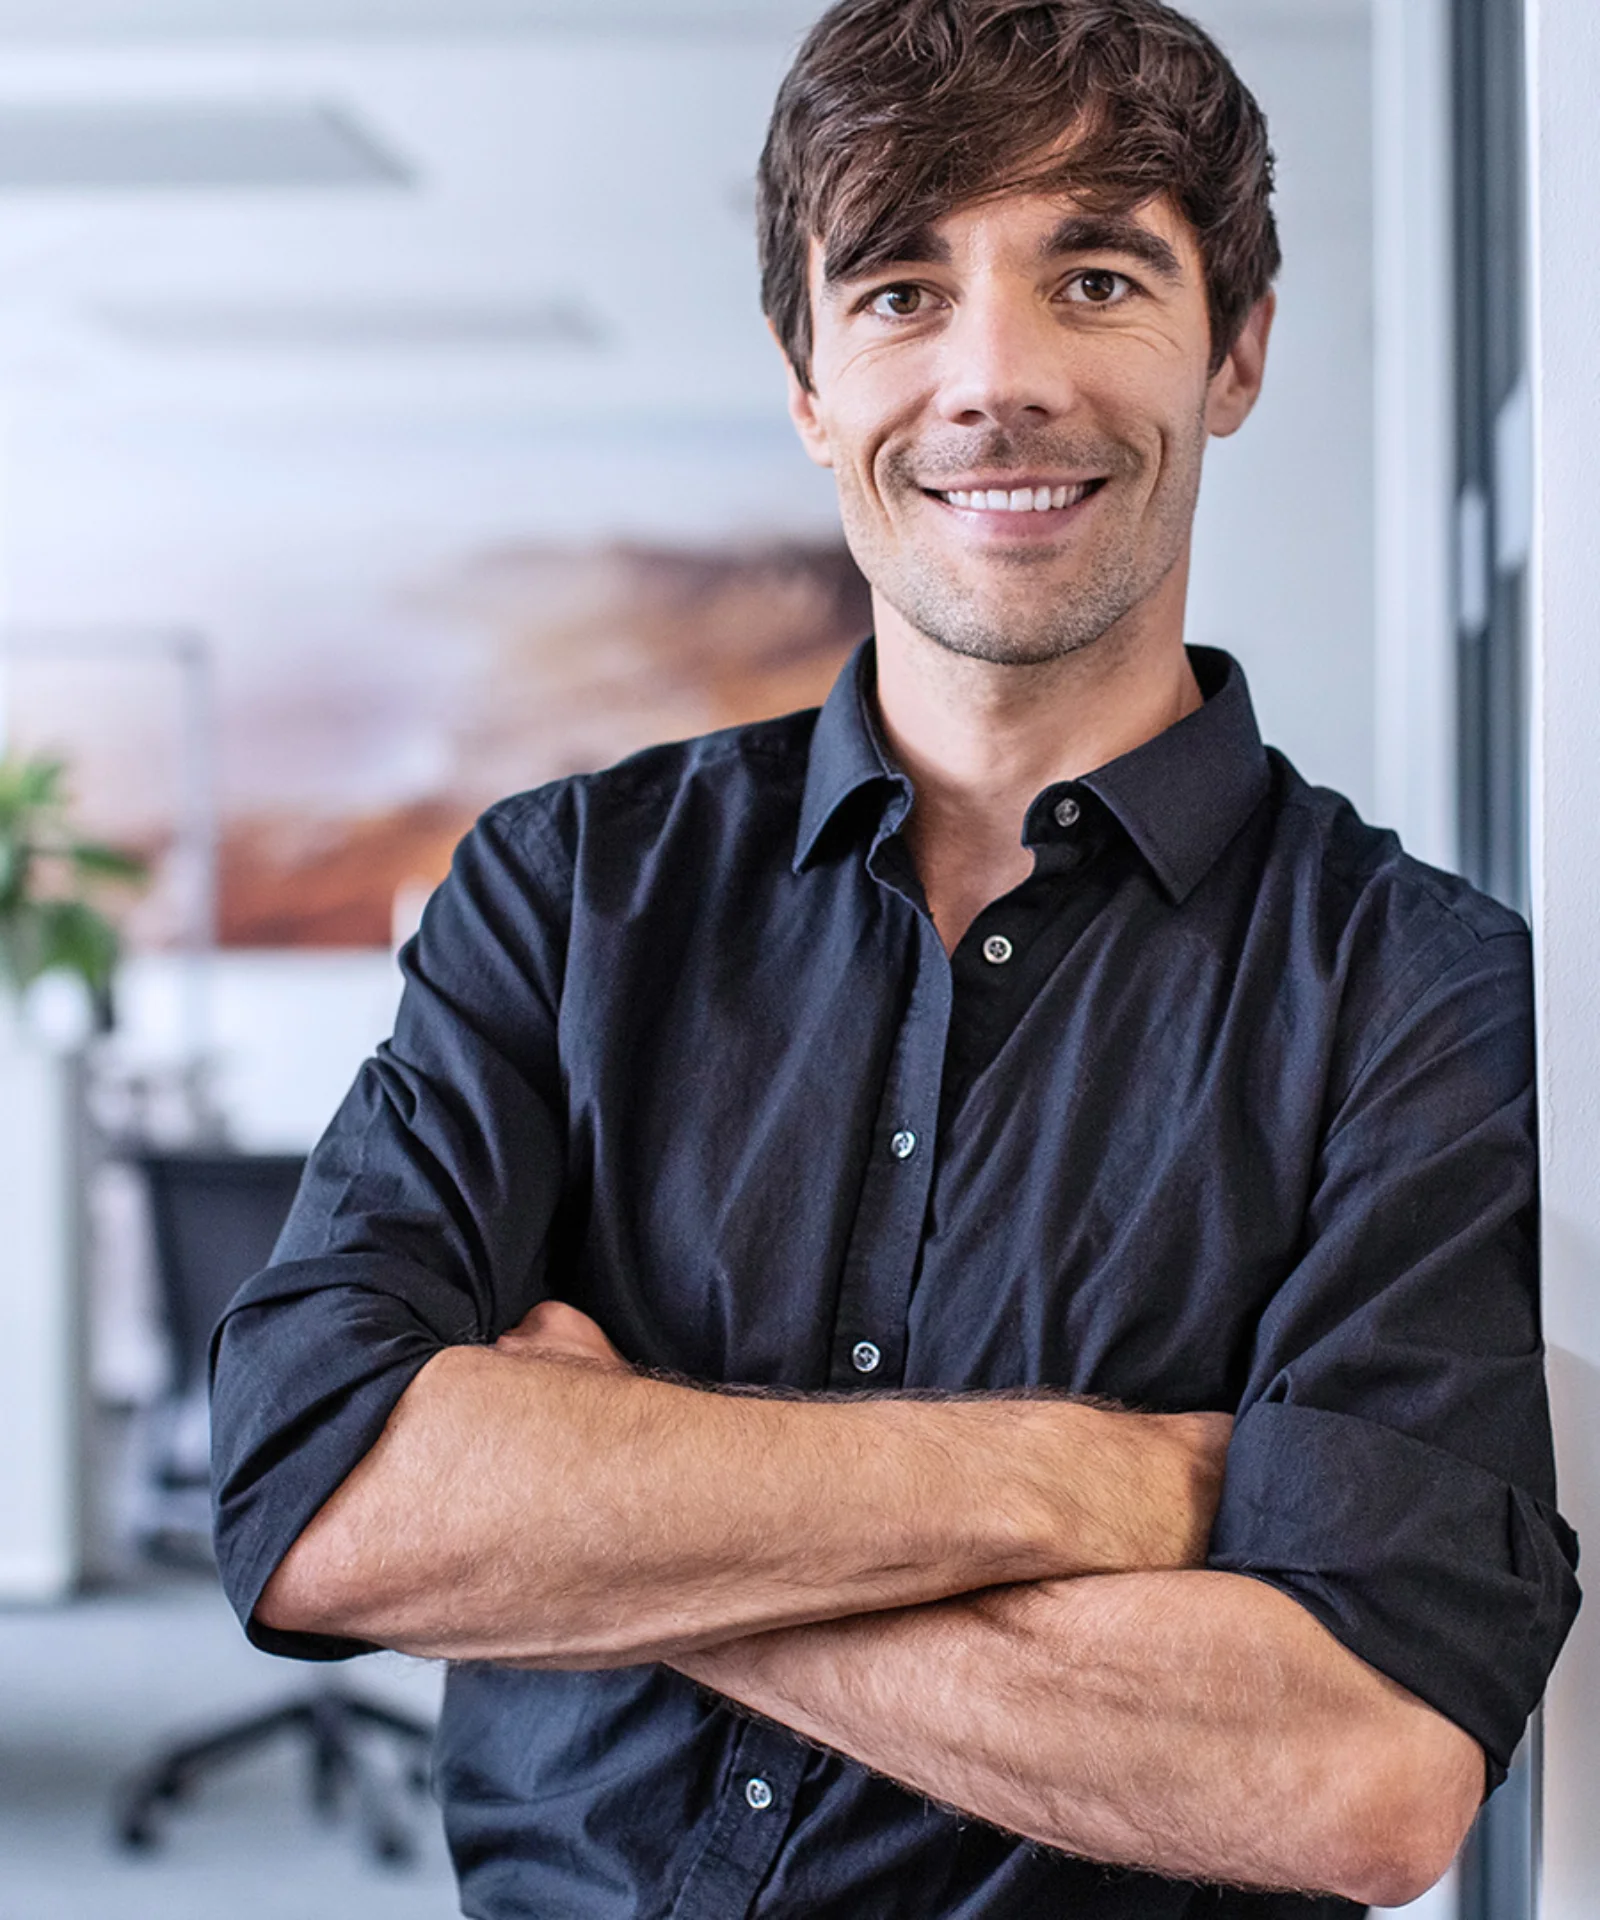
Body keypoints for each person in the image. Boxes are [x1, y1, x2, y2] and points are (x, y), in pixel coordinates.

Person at [210, 1, 1580, 1913]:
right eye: (901, 290)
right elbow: (315, 1494)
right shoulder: (568, 888)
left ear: (1238, 349)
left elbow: (1351, 1773)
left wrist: (600, 1533)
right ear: (808, 378)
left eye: (1095, 277)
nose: (994, 380)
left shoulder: (1425, 994)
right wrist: (1092, 1486)